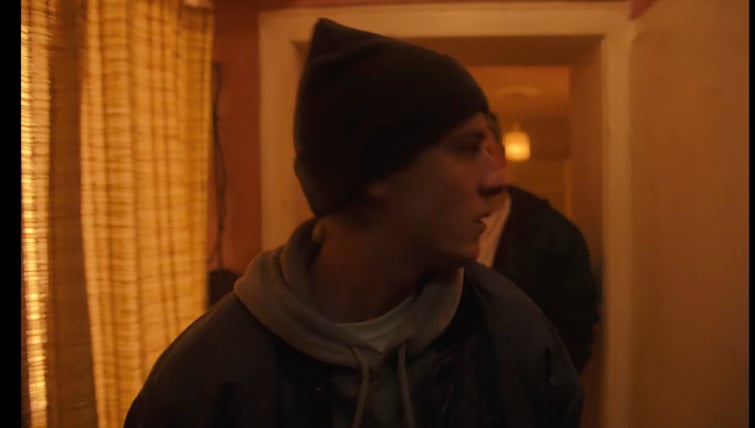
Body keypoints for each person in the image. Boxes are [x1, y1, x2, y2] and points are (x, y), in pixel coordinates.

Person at [124, 18, 583, 428]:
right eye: (466, 148)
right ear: (377, 170)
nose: (497, 178)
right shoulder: (208, 379)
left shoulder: (516, 340)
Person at [478, 112, 601, 374]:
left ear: (502, 156)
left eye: (487, 151)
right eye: (464, 152)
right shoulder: (429, 230)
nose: (479, 163)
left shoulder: (553, 235)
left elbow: (573, 335)